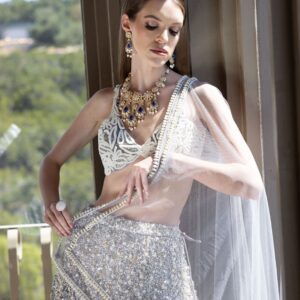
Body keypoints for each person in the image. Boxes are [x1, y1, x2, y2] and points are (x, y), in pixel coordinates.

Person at [39, 0, 280, 299]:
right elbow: (51, 161)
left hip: (159, 264)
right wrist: (52, 204)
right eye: (152, 25)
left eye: (173, 30)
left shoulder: (199, 97)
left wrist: (170, 162)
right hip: (89, 256)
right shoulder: (104, 102)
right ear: (128, 25)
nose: (163, 38)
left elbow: (251, 184)